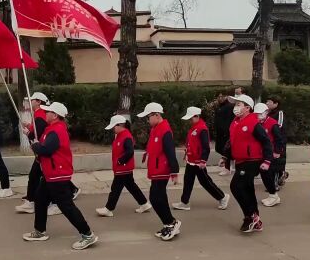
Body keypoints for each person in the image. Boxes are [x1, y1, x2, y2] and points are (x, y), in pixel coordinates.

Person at [22, 102, 98, 250]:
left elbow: (46, 149)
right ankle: (39, 231)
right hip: (51, 173)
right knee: (40, 198)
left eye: (48, 112)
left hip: (58, 174)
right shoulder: (52, 129)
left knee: (66, 206)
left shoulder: (56, 130)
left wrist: (36, 146)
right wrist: (33, 140)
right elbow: (42, 146)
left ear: (55, 115)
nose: (45, 114)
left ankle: (87, 234)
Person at [16, 92, 80, 216]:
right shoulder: (44, 119)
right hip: (48, 160)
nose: (30, 102)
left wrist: (32, 139)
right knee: (43, 184)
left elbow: (42, 139)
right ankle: (36, 204)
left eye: (33, 99)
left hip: (51, 160)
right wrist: (30, 129)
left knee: (39, 179)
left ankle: (39, 202)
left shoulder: (43, 118)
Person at [225, 94, 273, 233]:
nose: (235, 107)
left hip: (252, 160)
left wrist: (267, 160)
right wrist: (226, 158)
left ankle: (251, 216)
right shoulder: (235, 123)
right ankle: (254, 218)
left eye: (239, 104)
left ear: (247, 108)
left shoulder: (254, 123)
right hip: (240, 160)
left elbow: (266, 142)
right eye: (235, 104)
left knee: (236, 186)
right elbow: (232, 142)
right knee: (247, 189)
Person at [137, 102, 182, 241]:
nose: (147, 120)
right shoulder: (156, 128)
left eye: (148, 117)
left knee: (156, 199)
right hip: (156, 170)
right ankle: (169, 223)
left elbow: (170, 153)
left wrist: (174, 172)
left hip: (162, 170)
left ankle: (171, 223)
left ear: (157, 115)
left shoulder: (165, 130)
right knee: (158, 198)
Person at [172, 107, 230, 211]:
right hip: (192, 160)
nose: (190, 120)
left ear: (197, 116)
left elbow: (206, 147)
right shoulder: (194, 127)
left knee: (206, 182)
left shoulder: (202, 128)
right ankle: (184, 202)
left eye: (191, 118)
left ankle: (222, 197)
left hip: (199, 162)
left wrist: (203, 160)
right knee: (188, 181)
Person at [96, 115, 152, 217]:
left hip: (123, 168)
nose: (113, 128)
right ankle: (144, 203)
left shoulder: (126, 136)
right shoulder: (120, 135)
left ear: (120, 125)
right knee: (131, 186)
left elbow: (130, 152)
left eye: (114, 126)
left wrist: (120, 161)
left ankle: (108, 208)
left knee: (115, 189)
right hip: (122, 168)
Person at [254, 103, 286, 207]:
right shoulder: (257, 123)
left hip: (271, 154)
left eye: (260, 114)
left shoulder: (273, 124)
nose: (258, 116)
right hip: (261, 153)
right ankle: (272, 195)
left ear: (266, 113)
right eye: (256, 114)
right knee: (264, 174)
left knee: (268, 174)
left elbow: (279, 139)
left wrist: (277, 151)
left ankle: (274, 196)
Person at [266, 96, 289, 187]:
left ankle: (274, 185)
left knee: (276, 163)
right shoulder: (267, 113)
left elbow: (279, 127)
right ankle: (282, 174)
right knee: (273, 163)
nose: (267, 103)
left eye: (269, 101)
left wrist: (279, 145)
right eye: (267, 101)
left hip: (278, 142)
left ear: (276, 104)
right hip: (269, 142)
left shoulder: (280, 113)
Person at [214, 92, 236, 177]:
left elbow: (229, 119)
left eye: (222, 96)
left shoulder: (229, 107)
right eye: (218, 96)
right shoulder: (220, 107)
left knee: (226, 150)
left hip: (226, 133)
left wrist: (226, 130)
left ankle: (227, 168)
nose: (220, 98)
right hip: (220, 132)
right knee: (222, 149)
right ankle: (229, 166)